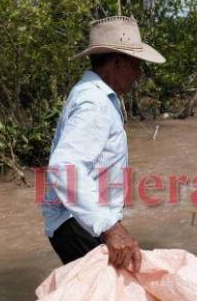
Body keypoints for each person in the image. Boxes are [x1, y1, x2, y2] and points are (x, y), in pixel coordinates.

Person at [41, 16, 165, 272]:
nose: (139, 73)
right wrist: (111, 229)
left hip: (81, 219)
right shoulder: (94, 102)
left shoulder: (99, 96)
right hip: (78, 223)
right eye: (136, 65)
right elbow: (65, 166)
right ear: (118, 63)